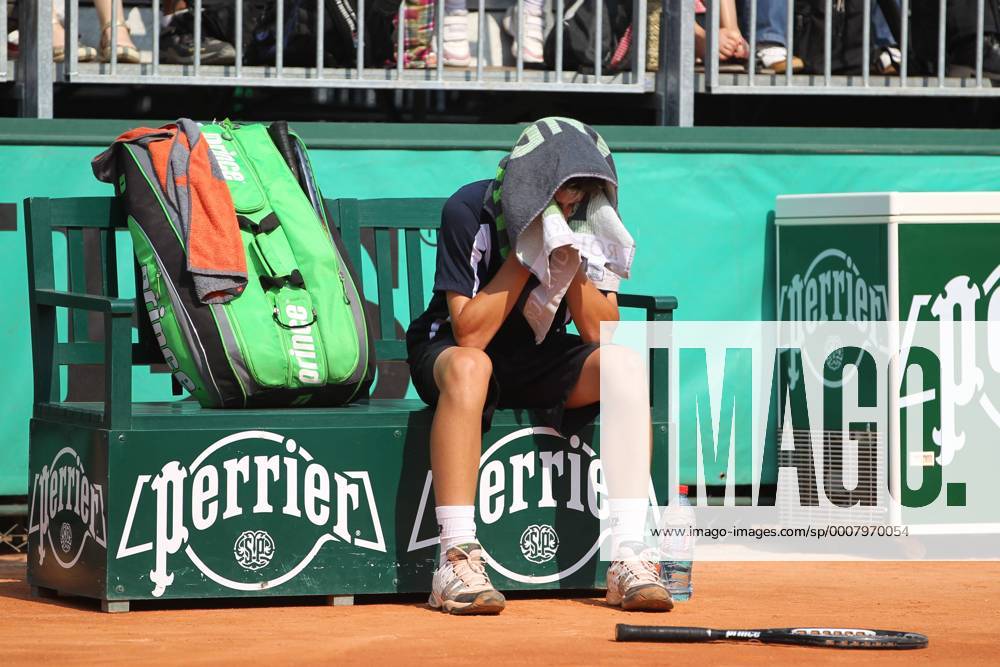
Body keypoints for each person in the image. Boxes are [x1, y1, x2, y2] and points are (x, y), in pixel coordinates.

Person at [405, 117, 670, 615]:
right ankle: (456, 559)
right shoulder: (469, 208)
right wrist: (529, 254)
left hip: (537, 353)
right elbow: (470, 333)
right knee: (471, 368)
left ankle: (630, 555)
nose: (571, 204)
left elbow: (599, 333)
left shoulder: (591, 217)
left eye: (581, 193)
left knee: (625, 367)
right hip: (454, 352)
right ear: (534, 182)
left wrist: (568, 258)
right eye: (563, 193)